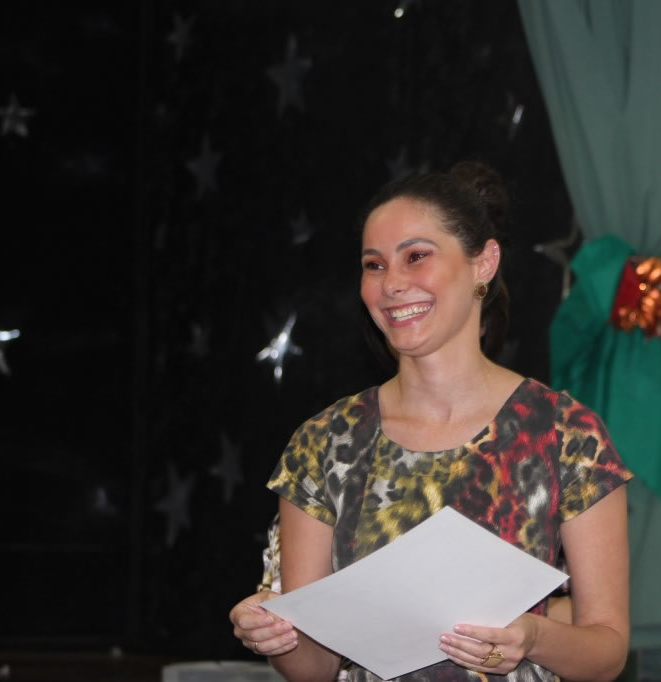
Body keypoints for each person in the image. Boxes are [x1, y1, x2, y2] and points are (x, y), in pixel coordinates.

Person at [229, 161, 633, 682]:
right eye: (374, 265)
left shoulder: (566, 434)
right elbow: (314, 668)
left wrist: (534, 637)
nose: (392, 283)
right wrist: (275, 634)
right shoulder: (324, 443)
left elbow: (607, 652)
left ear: (484, 263)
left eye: (415, 257)